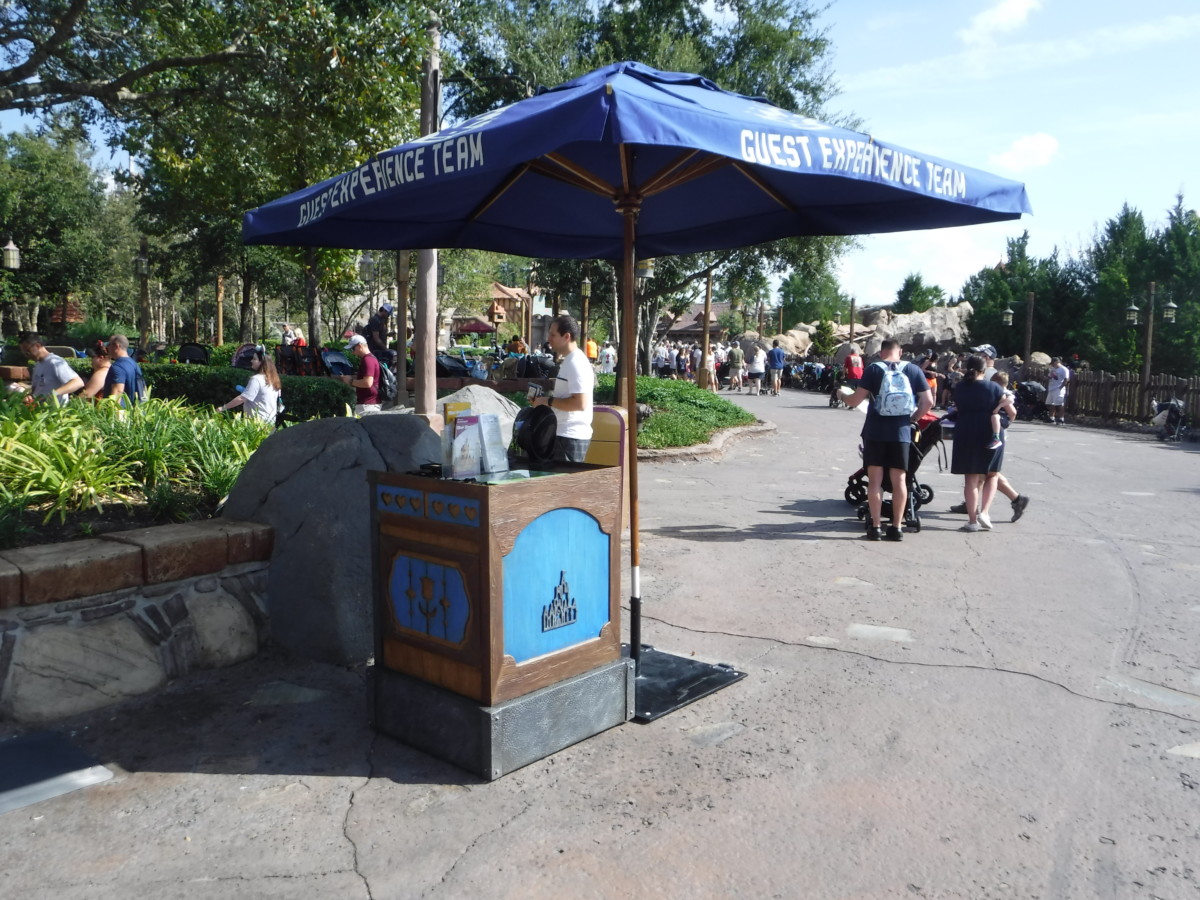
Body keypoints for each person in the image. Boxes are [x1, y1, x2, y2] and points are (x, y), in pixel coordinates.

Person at [841, 340, 933, 541]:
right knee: (900, 480)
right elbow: (928, 402)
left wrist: (842, 395)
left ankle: (875, 527)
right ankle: (896, 527)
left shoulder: (874, 369)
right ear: (900, 352)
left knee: (875, 481)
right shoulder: (914, 370)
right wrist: (913, 419)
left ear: (882, 353)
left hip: (875, 431)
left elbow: (856, 400)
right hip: (901, 433)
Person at [951, 355, 1016, 532]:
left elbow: (956, 408)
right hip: (990, 433)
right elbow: (1011, 412)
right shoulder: (994, 387)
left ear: (966, 368)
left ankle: (972, 521)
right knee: (991, 474)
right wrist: (1004, 421)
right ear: (984, 370)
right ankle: (985, 513)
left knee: (970, 479)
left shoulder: (959, 388)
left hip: (965, 431)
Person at [530, 314, 593, 463]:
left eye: (552, 334)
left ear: (566, 336)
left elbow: (579, 403)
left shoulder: (575, 363)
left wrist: (547, 401)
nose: (549, 339)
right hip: (566, 434)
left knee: (567, 484)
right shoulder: (571, 360)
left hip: (570, 436)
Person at [217, 345, 281, 424]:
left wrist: (223, 408)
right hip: (271, 422)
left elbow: (242, 398)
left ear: (262, 362)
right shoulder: (274, 379)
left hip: (257, 424)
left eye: (254, 359)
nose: (251, 361)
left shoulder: (256, 379)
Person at [19, 333, 83, 405]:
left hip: (55, 411)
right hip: (41, 410)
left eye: (28, 352)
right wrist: (29, 396)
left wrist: (54, 394)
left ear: (37, 346)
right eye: (24, 353)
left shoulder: (55, 362)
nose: (27, 356)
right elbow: (36, 390)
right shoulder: (37, 365)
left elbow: (77, 382)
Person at [340, 334, 380, 416]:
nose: (352, 352)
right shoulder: (371, 359)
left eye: (353, 348)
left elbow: (368, 383)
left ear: (360, 346)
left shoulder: (367, 360)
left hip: (367, 406)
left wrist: (350, 381)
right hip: (369, 404)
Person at [103, 334, 145, 405]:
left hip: (122, 413)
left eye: (109, 344)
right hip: (135, 411)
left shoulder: (117, 367)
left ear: (117, 346)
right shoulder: (134, 364)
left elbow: (117, 393)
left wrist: (112, 413)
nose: (107, 348)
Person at [1046, 355, 1070, 424]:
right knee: (1050, 403)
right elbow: (1049, 377)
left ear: (1056, 362)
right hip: (1051, 388)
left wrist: (1060, 388)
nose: (1052, 365)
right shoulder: (1053, 369)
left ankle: (1061, 418)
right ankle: (1051, 418)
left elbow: (1066, 379)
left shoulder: (1064, 369)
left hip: (1058, 388)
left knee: (1059, 404)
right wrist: (1048, 377)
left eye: (1053, 363)